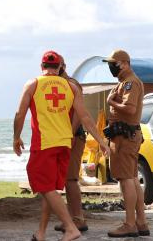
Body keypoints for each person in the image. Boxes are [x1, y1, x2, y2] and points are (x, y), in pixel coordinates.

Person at [14, 51, 109, 241]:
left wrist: (16, 137)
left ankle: (71, 228)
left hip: (44, 143)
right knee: (51, 189)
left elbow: (20, 114)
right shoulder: (71, 87)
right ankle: (41, 232)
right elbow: (85, 117)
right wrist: (101, 141)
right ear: (59, 68)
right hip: (65, 143)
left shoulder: (33, 84)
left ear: (42, 67)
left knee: (42, 184)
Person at [103, 49, 149, 238]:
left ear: (124, 63)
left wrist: (111, 102)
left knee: (126, 180)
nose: (111, 67)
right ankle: (140, 222)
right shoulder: (124, 82)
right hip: (122, 136)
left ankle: (130, 223)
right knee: (131, 179)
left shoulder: (130, 83)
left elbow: (130, 110)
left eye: (113, 63)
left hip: (124, 137)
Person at [54, 61, 89, 234]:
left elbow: (78, 114)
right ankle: (72, 218)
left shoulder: (72, 84)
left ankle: (78, 219)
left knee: (71, 179)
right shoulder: (62, 84)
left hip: (74, 136)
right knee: (67, 179)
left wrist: (72, 135)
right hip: (67, 136)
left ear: (62, 67)